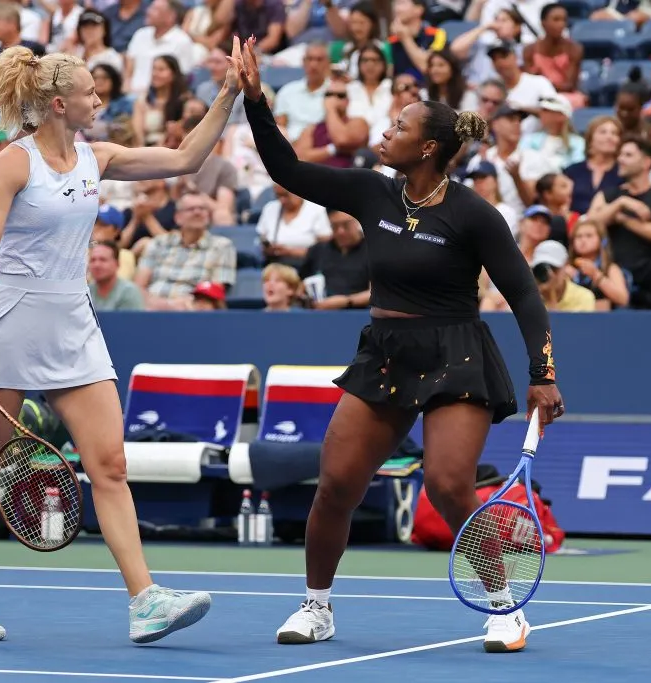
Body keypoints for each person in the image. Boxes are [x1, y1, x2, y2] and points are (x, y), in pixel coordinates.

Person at [237, 37, 564, 653]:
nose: (386, 134)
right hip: (385, 349)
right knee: (335, 483)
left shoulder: (474, 214)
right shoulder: (371, 192)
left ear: (428, 147)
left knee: (447, 483)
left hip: (455, 352)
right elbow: (287, 170)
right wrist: (257, 102)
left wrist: (542, 373)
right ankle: (317, 606)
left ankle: (504, 607)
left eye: (398, 127)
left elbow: (525, 295)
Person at [0, 39, 247, 642]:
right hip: (9, 320)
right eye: (89, 92)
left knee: (111, 464)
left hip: (73, 320)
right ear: (57, 104)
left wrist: (228, 93)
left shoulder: (96, 157)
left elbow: (184, 158)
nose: (99, 99)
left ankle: (145, 599)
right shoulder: (12, 164)